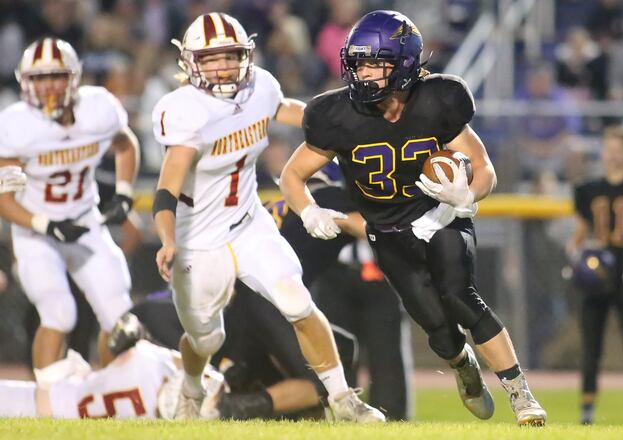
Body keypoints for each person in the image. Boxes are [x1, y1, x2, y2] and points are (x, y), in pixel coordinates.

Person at [279, 10, 546, 426]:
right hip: (387, 231)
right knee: (439, 331)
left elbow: (483, 165)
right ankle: (463, 366)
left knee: (460, 295)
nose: (363, 73)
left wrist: (465, 195)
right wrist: (308, 209)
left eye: (374, 64)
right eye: (358, 63)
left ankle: (520, 393)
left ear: (403, 64)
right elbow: (292, 175)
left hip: (440, 217)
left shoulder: (438, 99)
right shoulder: (335, 113)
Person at [150, 12, 383, 422]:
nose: (222, 66)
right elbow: (167, 187)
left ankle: (343, 399)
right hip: (198, 240)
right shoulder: (185, 110)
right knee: (206, 337)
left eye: (230, 55)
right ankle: (190, 386)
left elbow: (291, 111)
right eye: (211, 58)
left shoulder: (259, 86)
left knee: (296, 300)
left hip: (247, 222)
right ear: (190, 63)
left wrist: (348, 122)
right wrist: (168, 239)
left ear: (246, 54)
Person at [0, 37, 139, 372]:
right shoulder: (17, 125)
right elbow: (3, 198)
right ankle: (48, 401)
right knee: (59, 312)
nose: (48, 87)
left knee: (118, 314)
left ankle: (113, 393)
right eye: (38, 78)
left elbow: (125, 145)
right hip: (35, 232)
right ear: (25, 82)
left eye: (56, 76)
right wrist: (45, 225)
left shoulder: (98, 108)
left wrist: (123, 192)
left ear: (74, 77)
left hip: (83, 219)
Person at [269, 164, 413, 420]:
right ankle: (255, 407)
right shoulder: (330, 196)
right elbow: (364, 226)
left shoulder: (279, 202)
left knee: (338, 348)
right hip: (277, 298)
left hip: (251, 294)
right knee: (334, 352)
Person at [132, 286, 359, 421]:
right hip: (227, 337)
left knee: (326, 381)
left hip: (243, 322)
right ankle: (232, 404)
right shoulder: (156, 318)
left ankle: (232, 405)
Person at [0, 315, 222, 420]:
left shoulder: (148, 364)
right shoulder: (151, 421)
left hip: (43, 400)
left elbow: (113, 340)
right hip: (62, 411)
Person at [567, 127, 623, 425]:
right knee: (591, 347)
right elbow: (579, 235)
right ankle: (587, 412)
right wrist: (575, 255)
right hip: (598, 275)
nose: (612, 155)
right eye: (608, 149)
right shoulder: (589, 189)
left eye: (618, 149)